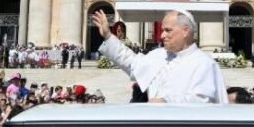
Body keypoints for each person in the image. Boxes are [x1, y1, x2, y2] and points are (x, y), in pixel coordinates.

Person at [92, 9, 226, 104]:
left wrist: (167, 102)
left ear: (185, 31)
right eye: (162, 30)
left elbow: (203, 101)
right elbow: (132, 63)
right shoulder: (158, 55)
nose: (162, 35)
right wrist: (109, 36)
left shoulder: (204, 63)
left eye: (167, 30)